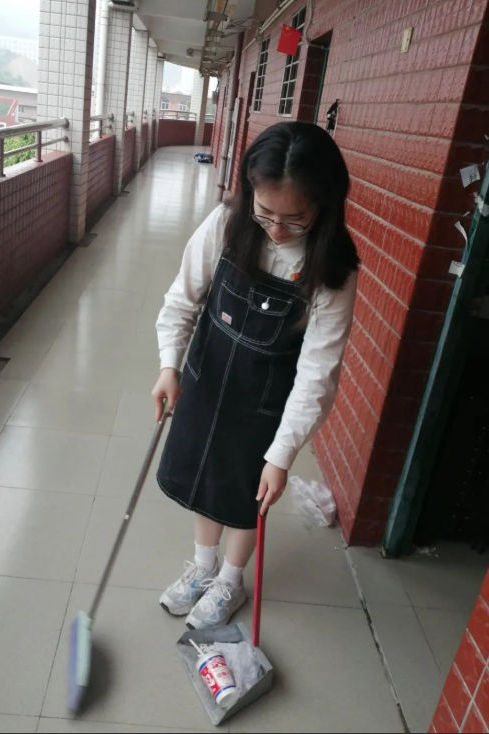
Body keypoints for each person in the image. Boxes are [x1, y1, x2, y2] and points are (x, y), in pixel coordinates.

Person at [152, 121, 359, 631]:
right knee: (204, 477)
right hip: (205, 379)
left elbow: (318, 372)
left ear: (324, 204)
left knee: (247, 494)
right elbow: (183, 298)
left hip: (264, 403)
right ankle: (203, 569)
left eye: (294, 219)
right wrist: (169, 365)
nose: (276, 230)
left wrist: (282, 455)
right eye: (265, 214)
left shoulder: (332, 269)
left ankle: (231, 579)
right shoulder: (228, 224)